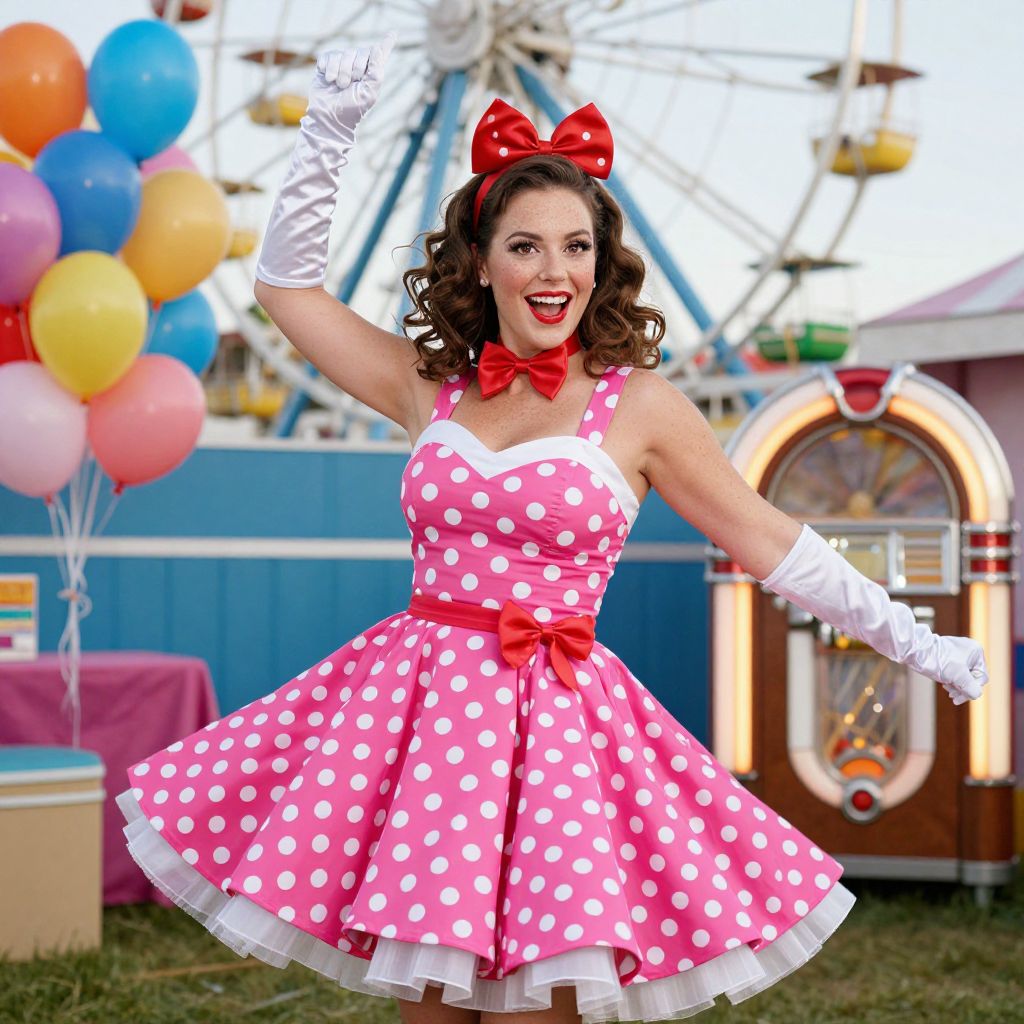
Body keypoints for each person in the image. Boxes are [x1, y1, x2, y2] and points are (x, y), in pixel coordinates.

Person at [116, 32, 989, 1024]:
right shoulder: (427, 382)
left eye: (576, 246)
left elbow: (766, 538)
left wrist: (913, 638)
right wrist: (330, 126)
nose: (553, 269)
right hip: (423, 731)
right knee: (431, 1008)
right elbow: (284, 290)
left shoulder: (644, 408)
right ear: (479, 262)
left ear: (600, 263)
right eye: (524, 244)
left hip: (558, 744)